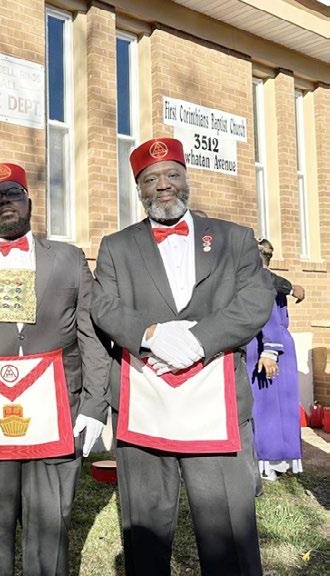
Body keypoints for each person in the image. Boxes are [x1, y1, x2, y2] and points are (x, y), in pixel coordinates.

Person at [91, 137, 275, 576]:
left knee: (228, 531)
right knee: (145, 534)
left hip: (216, 406)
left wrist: (199, 340)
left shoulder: (234, 238)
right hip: (146, 406)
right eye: (150, 179)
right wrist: (150, 334)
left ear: (186, 178)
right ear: (139, 189)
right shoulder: (116, 246)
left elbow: (255, 299)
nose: (163, 185)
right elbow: (104, 305)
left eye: (172, 174)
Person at [0, 162, 110, 575]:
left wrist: (94, 406)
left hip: (57, 413)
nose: (5, 202)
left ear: (29, 202)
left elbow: (91, 335)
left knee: (49, 532)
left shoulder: (68, 259)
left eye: (13, 193)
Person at [247, 239, 303, 480]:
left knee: (266, 405)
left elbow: (268, 318)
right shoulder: (274, 280)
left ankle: (269, 460)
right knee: (280, 405)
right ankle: (281, 459)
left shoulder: (260, 280)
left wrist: (269, 350)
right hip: (282, 344)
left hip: (265, 345)